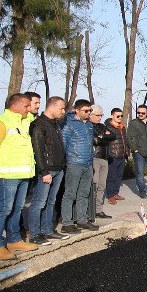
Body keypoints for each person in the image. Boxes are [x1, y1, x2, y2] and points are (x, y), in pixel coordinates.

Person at [0, 93, 39, 260]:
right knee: (4, 209)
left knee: (17, 209)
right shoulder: (1, 122)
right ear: (15, 106)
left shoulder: (25, 121)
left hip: (24, 173)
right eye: (26, 106)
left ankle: (14, 239)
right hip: (7, 175)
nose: (28, 109)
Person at [26, 97, 69, 246]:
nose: (63, 112)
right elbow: (38, 149)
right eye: (61, 108)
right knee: (39, 202)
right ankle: (35, 234)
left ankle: (47, 230)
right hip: (47, 170)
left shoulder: (55, 124)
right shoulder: (39, 124)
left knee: (51, 202)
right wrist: (44, 171)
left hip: (58, 169)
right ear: (52, 107)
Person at [59, 99, 97, 233]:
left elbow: (90, 143)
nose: (88, 113)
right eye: (86, 111)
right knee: (70, 194)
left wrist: (91, 160)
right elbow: (63, 144)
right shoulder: (68, 124)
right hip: (74, 163)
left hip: (87, 163)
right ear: (77, 110)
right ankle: (67, 223)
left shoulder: (89, 125)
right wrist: (68, 161)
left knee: (84, 193)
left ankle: (82, 220)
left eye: (90, 110)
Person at [88, 105, 116, 219]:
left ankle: (98, 209)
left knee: (102, 185)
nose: (100, 117)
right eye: (97, 115)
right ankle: (91, 210)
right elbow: (95, 140)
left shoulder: (102, 126)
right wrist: (104, 137)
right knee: (94, 184)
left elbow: (113, 135)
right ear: (91, 114)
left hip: (104, 157)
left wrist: (102, 138)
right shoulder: (88, 126)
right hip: (95, 157)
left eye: (101, 115)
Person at [104, 107, 129, 204]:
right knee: (111, 176)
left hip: (121, 155)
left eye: (121, 116)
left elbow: (125, 141)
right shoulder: (108, 127)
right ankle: (110, 195)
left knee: (119, 176)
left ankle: (115, 193)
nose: (120, 118)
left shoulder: (122, 127)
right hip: (113, 156)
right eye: (117, 116)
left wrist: (126, 154)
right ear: (112, 116)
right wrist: (109, 154)